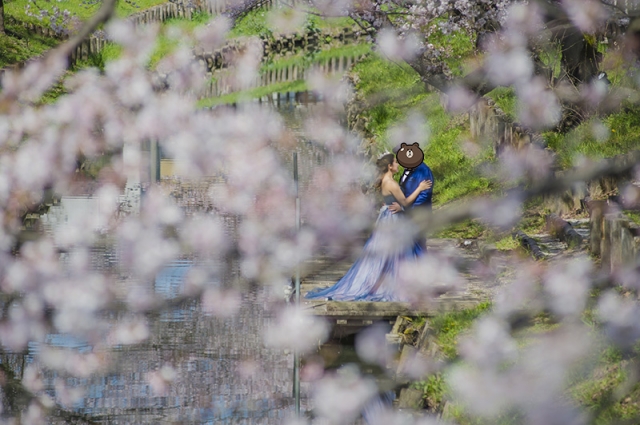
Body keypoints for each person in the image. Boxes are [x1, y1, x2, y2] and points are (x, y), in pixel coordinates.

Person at [305, 153, 432, 302]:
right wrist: (420, 188)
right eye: (395, 163)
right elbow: (405, 203)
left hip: (386, 218)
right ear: (390, 166)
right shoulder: (391, 183)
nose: (398, 165)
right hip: (393, 221)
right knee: (396, 254)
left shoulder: (385, 181)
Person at [388, 144, 434, 252]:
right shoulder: (407, 169)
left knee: (417, 243)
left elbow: (425, 194)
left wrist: (405, 208)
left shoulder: (423, 170)